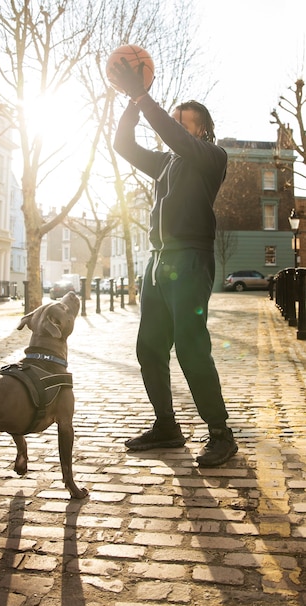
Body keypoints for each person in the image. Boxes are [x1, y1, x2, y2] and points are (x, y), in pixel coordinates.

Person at [110, 58, 238, 467]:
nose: (180, 127)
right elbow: (123, 146)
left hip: (191, 260)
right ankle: (167, 425)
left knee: (190, 347)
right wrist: (131, 110)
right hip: (158, 261)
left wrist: (144, 97)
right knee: (149, 347)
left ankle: (221, 433)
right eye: (176, 120)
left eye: (188, 122)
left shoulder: (211, 157)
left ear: (203, 129)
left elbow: (177, 138)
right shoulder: (165, 163)